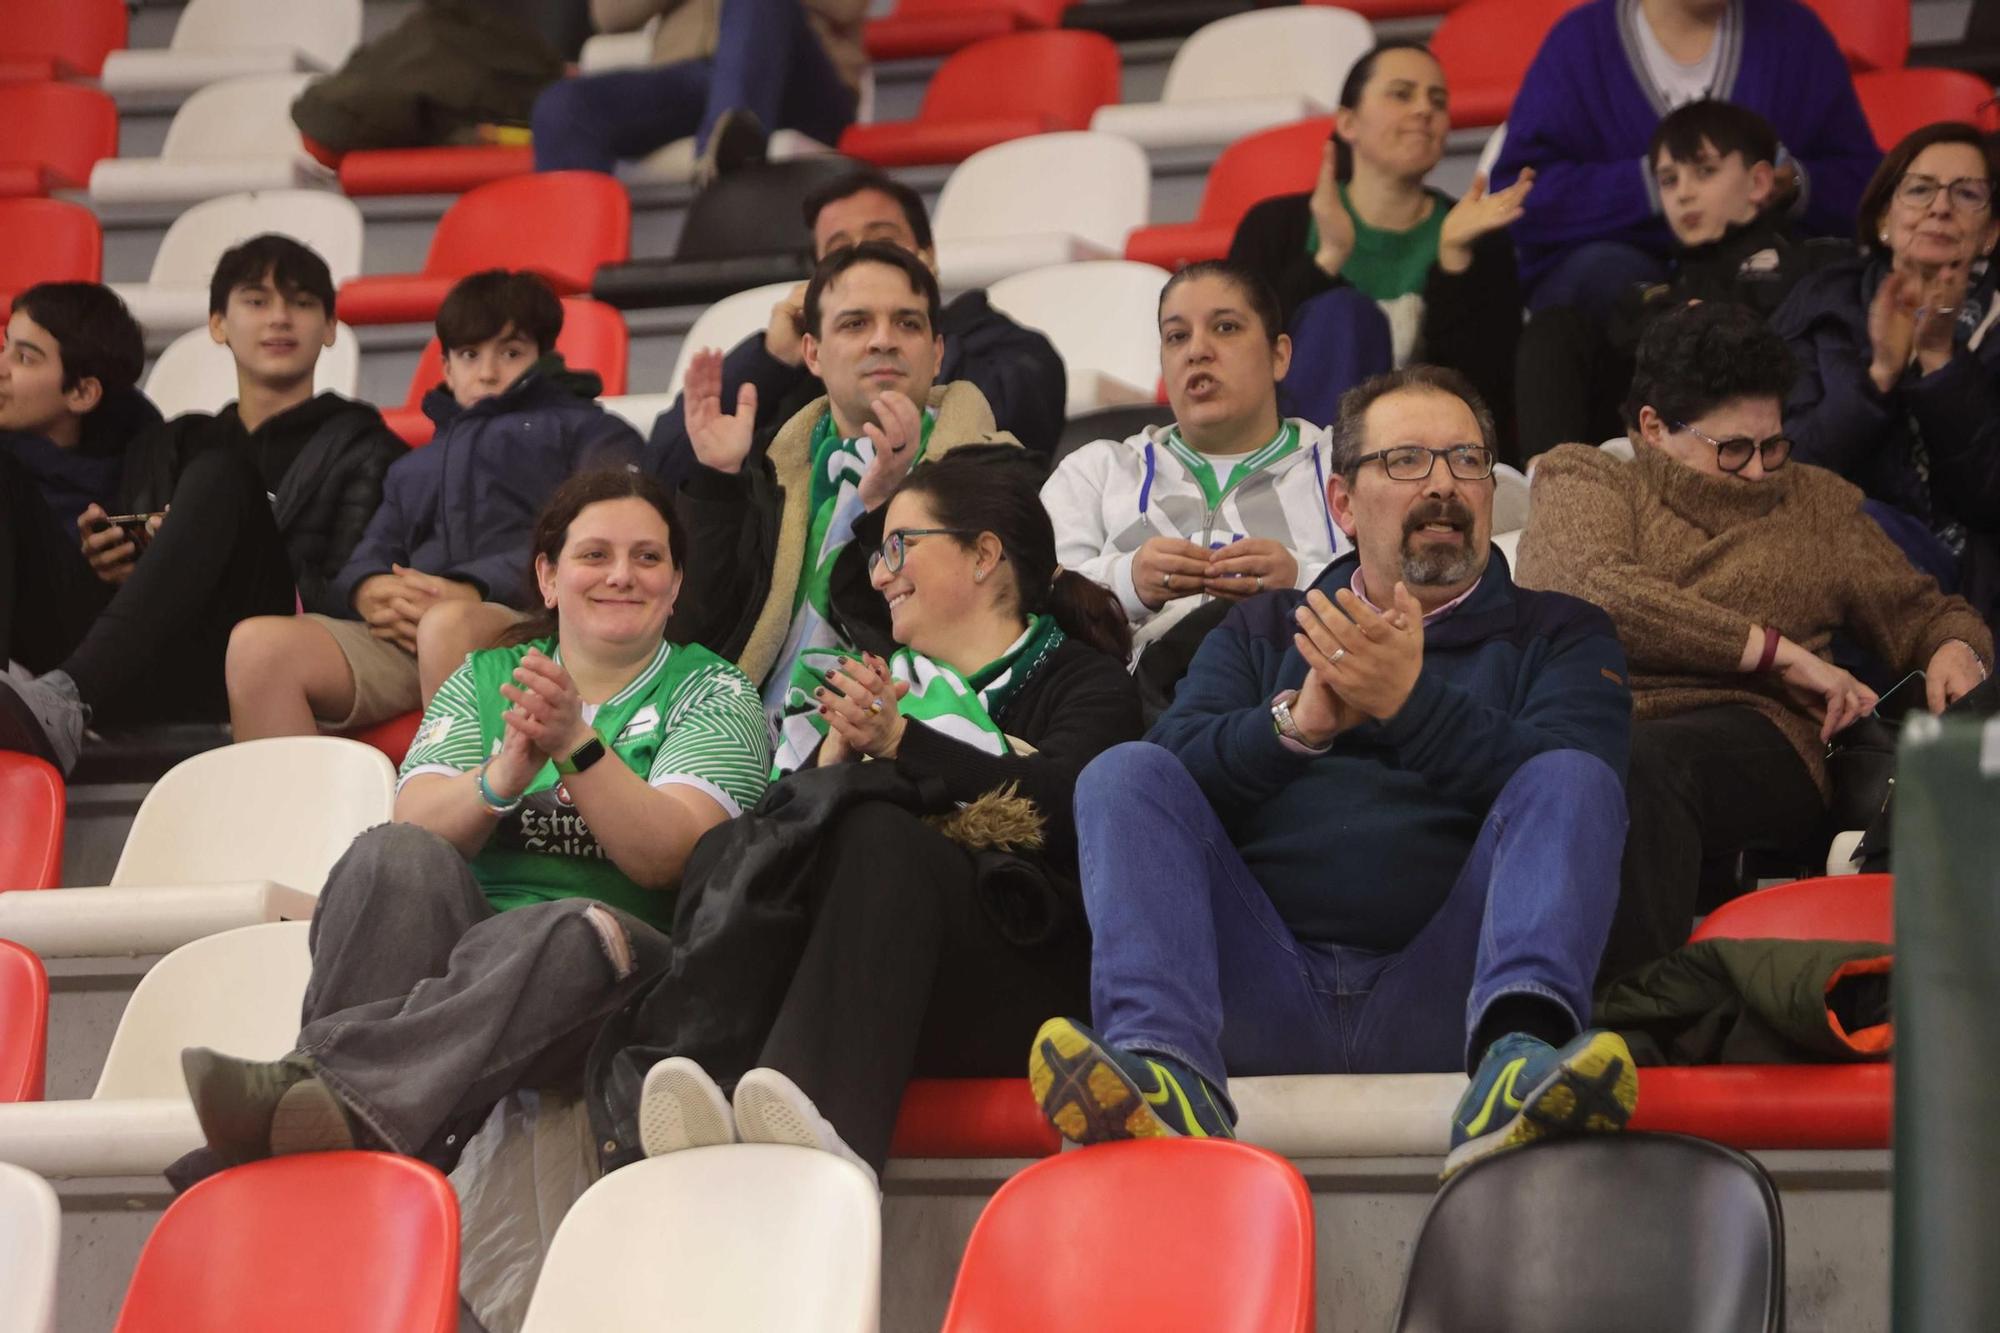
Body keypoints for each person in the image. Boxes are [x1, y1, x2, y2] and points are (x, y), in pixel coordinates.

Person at [1031, 365, 1638, 1181]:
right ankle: (1163, 1068)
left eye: (1466, 461)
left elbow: (1584, 801)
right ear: (1344, 504)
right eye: (1407, 461)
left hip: (1452, 996)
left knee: (1574, 775)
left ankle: (1517, 1065)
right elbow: (1159, 785)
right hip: (1258, 987)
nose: (1443, 486)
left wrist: (1410, 704)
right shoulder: (1264, 627)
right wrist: (1298, 725)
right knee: (1121, 774)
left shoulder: (1563, 632)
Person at [177, 469, 772, 1171]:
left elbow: (672, 854)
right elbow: (416, 821)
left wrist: (575, 745)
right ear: (548, 578)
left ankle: (298, 1112)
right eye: (594, 555)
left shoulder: (717, 690)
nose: (622, 574)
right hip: (472, 959)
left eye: (648, 558)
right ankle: (336, 1115)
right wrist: (501, 778)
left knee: (568, 925)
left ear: (674, 586)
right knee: (390, 856)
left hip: (624, 971)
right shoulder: (487, 677)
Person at [580, 446, 1143, 1181]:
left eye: (899, 547)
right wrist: (837, 759)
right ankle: (706, 1083)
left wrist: (906, 743)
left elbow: (1070, 812)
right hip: (882, 975)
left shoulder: (1082, 680)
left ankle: (826, 1130)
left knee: (881, 834)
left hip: (1026, 976)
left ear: (984, 555)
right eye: (877, 554)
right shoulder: (879, 685)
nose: (880, 574)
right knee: (733, 846)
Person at [1516, 302, 1991, 979]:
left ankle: (1640, 1018)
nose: (1761, 472)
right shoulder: (1587, 477)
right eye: (1733, 450)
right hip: (1606, 715)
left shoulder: (1817, 502)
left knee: (1645, 764)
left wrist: (1954, 646)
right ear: (1652, 427)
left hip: (1764, 733)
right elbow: (1592, 592)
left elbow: (1927, 613)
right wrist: (1777, 651)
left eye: (1773, 445)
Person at [0, 236, 404, 773]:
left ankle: (66, 699)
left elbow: (349, 601)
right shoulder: (168, 439)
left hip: (251, 657)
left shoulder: (367, 447)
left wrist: (211, 545)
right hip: (130, 658)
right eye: (257, 301)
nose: (279, 319)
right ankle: (55, 696)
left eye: (302, 303)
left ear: (331, 328)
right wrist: (113, 558)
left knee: (221, 477)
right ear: (217, 324)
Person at [224, 270, 644, 739]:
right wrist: (370, 590)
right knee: (257, 645)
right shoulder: (415, 465)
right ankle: (290, 815)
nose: (487, 372)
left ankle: (459, 809)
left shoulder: (590, 430)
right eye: (469, 355)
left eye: (510, 353)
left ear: (543, 359)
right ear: (445, 368)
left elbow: (605, 536)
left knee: (446, 625)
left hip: (538, 622)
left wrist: (470, 588)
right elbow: (370, 552)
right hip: (415, 635)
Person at [667, 240, 1019, 748]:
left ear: (937, 353)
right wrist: (718, 482)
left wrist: (892, 501)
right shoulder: (770, 470)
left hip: (898, 744)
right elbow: (695, 637)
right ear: (812, 353)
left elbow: (959, 649)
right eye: (855, 324)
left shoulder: (995, 474)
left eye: (908, 323)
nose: (884, 340)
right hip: (741, 743)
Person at [646, 168, 1066, 480]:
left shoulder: (1008, 350)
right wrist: (771, 359)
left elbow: (1011, 427)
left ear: (928, 255)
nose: (864, 259)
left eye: (882, 241)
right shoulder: (797, 371)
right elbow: (666, 469)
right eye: (839, 250)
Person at [1040, 261, 1347, 673]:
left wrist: (1299, 582)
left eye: (1226, 328)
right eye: (1177, 336)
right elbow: (1030, 599)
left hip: (1289, 698)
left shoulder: (1342, 468)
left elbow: (1397, 598)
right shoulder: (1095, 472)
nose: (1197, 350)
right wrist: (1128, 581)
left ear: (1279, 355)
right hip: (1128, 709)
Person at [1491, 0, 1880, 314]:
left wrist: (1795, 184)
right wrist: (1660, 182)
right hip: (1619, 278)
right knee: (1614, 285)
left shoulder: (1796, 35)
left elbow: (1868, 185)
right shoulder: (1577, 45)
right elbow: (1520, 196)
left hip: (1763, 270)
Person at [1515, 99, 1841, 461]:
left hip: (1769, 453)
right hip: (1651, 444)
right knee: (1555, 327)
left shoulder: (1811, 266)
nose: (1684, 193)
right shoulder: (1657, 290)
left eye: (1705, 171)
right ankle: (1547, 483)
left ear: (1759, 182)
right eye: (1669, 180)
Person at [1228, 41, 1527, 434]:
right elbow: (1237, 356)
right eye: (1401, 95)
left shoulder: (1478, 239)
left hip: (1426, 458)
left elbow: (1487, 398)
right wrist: (1327, 259)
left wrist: (1455, 264)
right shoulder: (1275, 226)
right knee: (1344, 312)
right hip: (1295, 457)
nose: (1425, 110)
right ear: (1348, 122)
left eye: (1437, 102)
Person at [1772, 122, 2000, 624]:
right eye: (1920, 189)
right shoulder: (1821, 302)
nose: (1940, 207)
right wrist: (1877, 377)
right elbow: (1779, 469)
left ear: (1991, 234)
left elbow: (1991, 498)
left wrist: (1939, 359)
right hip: (1820, 549)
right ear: (1883, 218)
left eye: (1967, 194)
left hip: (1971, 575)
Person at [1, 283, 161, 674]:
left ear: (82, 393)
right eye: (5, 345)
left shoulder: (147, 458)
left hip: (86, 664)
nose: (1, 366)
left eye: (24, 358)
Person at [531, 0, 866, 182]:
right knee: (564, 106)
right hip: (692, 77)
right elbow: (610, 14)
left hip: (799, 83)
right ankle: (571, 282)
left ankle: (722, 152)